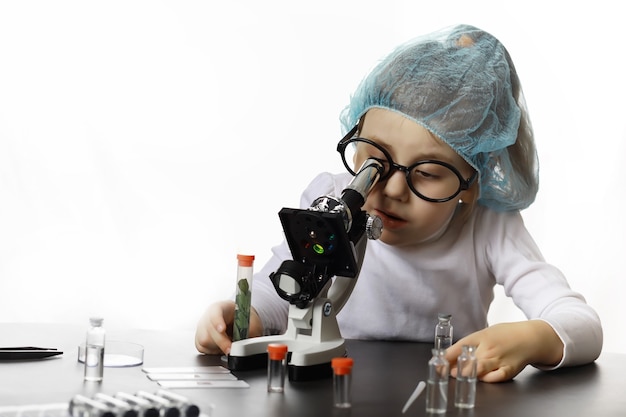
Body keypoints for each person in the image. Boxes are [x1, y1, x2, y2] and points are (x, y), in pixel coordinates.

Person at [195, 24, 603, 382]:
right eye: (375, 159)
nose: (390, 189)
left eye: (426, 172)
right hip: (332, 385)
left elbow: (581, 324)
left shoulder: (488, 226)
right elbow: (281, 298)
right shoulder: (332, 200)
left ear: (470, 182)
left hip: (439, 391)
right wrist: (241, 319)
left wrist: (535, 338)